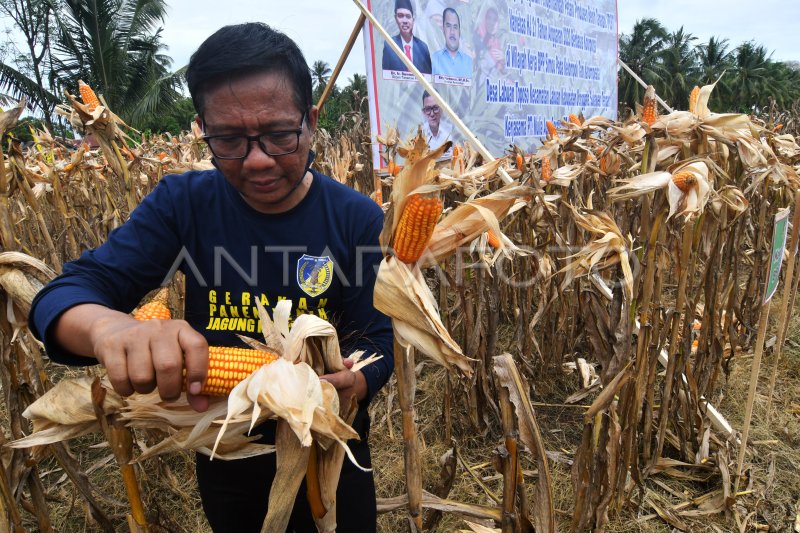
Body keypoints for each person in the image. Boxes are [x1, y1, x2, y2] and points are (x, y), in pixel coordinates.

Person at [28, 22, 394, 533]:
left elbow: (379, 339)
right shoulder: (184, 206)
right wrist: (112, 330)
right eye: (229, 140)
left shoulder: (356, 218)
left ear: (311, 121)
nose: (259, 159)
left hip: (331, 449)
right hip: (225, 449)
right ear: (202, 128)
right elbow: (63, 296)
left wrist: (357, 379)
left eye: (280, 134)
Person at [381, 0, 432, 74]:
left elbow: (428, 77)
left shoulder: (423, 47)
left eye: (408, 16)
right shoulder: (390, 45)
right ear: (395, 18)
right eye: (400, 16)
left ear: (413, 20)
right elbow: (386, 76)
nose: (405, 21)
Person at [431, 8, 473, 78]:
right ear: (443, 29)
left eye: (455, 27)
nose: (452, 32)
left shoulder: (468, 61)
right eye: (448, 26)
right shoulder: (435, 58)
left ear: (459, 31)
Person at [421, 91, 453, 155]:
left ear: (441, 109)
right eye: (428, 109)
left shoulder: (451, 131)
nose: (432, 114)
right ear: (423, 112)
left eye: (435, 108)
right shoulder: (420, 134)